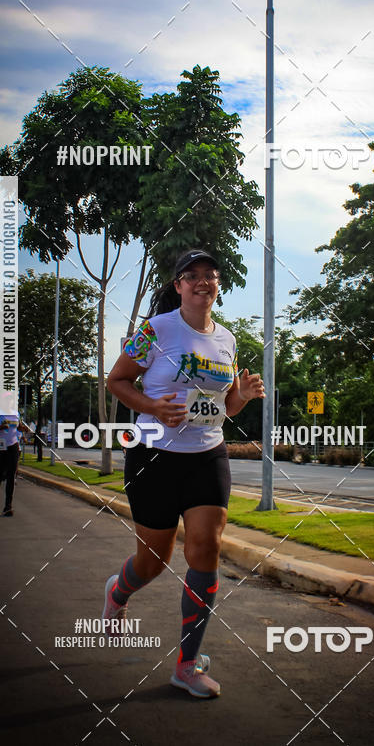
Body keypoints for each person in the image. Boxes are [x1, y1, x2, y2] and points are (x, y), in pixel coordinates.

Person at [105, 248, 264, 699]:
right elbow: (117, 381)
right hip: (153, 456)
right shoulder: (154, 330)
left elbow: (225, 407)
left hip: (207, 455)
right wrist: (152, 406)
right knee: (153, 562)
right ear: (178, 286)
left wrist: (243, 395)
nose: (202, 282)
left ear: (218, 286)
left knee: (206, 548)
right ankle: (118, 592)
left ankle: (187, 665)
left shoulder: (227, 339)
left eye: (210, 275)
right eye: (191, 275)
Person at [0, 413, 31, 516]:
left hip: (13, 445)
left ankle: (8, 506)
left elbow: (18, 427)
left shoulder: (16, 414)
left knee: (11, 475)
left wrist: (24, 429)